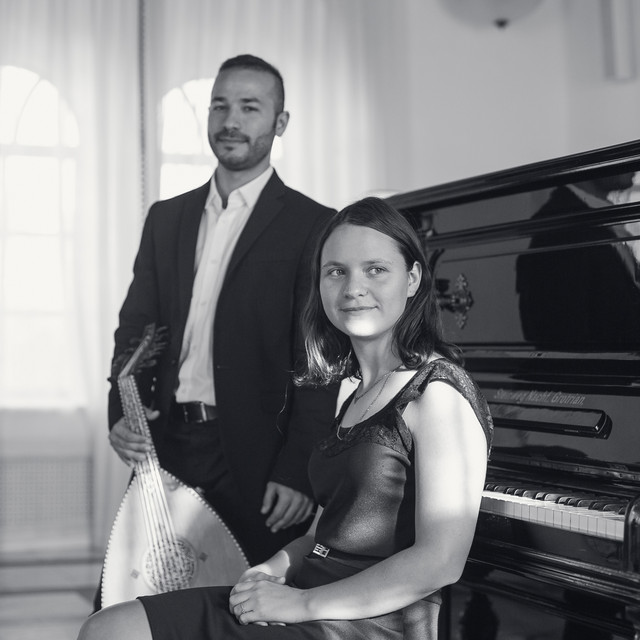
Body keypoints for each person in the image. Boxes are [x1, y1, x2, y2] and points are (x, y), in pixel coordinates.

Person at [79, 196, 493, 639]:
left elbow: (441, 562)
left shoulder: (438, 393)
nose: (353, 288)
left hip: (364, 625)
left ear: (412, 279)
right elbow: (321, 534)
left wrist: (301, 604)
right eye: (336, 271)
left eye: (375, 269)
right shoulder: (356, 393)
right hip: (306, 593)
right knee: (109, 626)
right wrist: (272, 568)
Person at [104, 53, 338, 576]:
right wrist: (120, 412)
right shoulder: (165, 219)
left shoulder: (314, 224)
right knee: (137, 595)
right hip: (165, 446)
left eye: (250, 107)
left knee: (245, 605)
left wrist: (299, 469)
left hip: (260, 460)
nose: (231, 121)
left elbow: (320, 359)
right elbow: (135, 329)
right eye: (220, 105)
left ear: (280, 122)